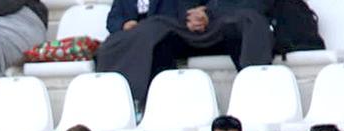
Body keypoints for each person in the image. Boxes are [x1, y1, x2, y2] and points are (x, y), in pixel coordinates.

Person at [96, 0, 275, 106]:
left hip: (199, 27)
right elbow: (113, 19)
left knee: (158, 38)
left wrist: (204, 14)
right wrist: (124, 25)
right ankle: (125, 102)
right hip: (140, 33)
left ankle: (256, 97)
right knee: (115, 47)